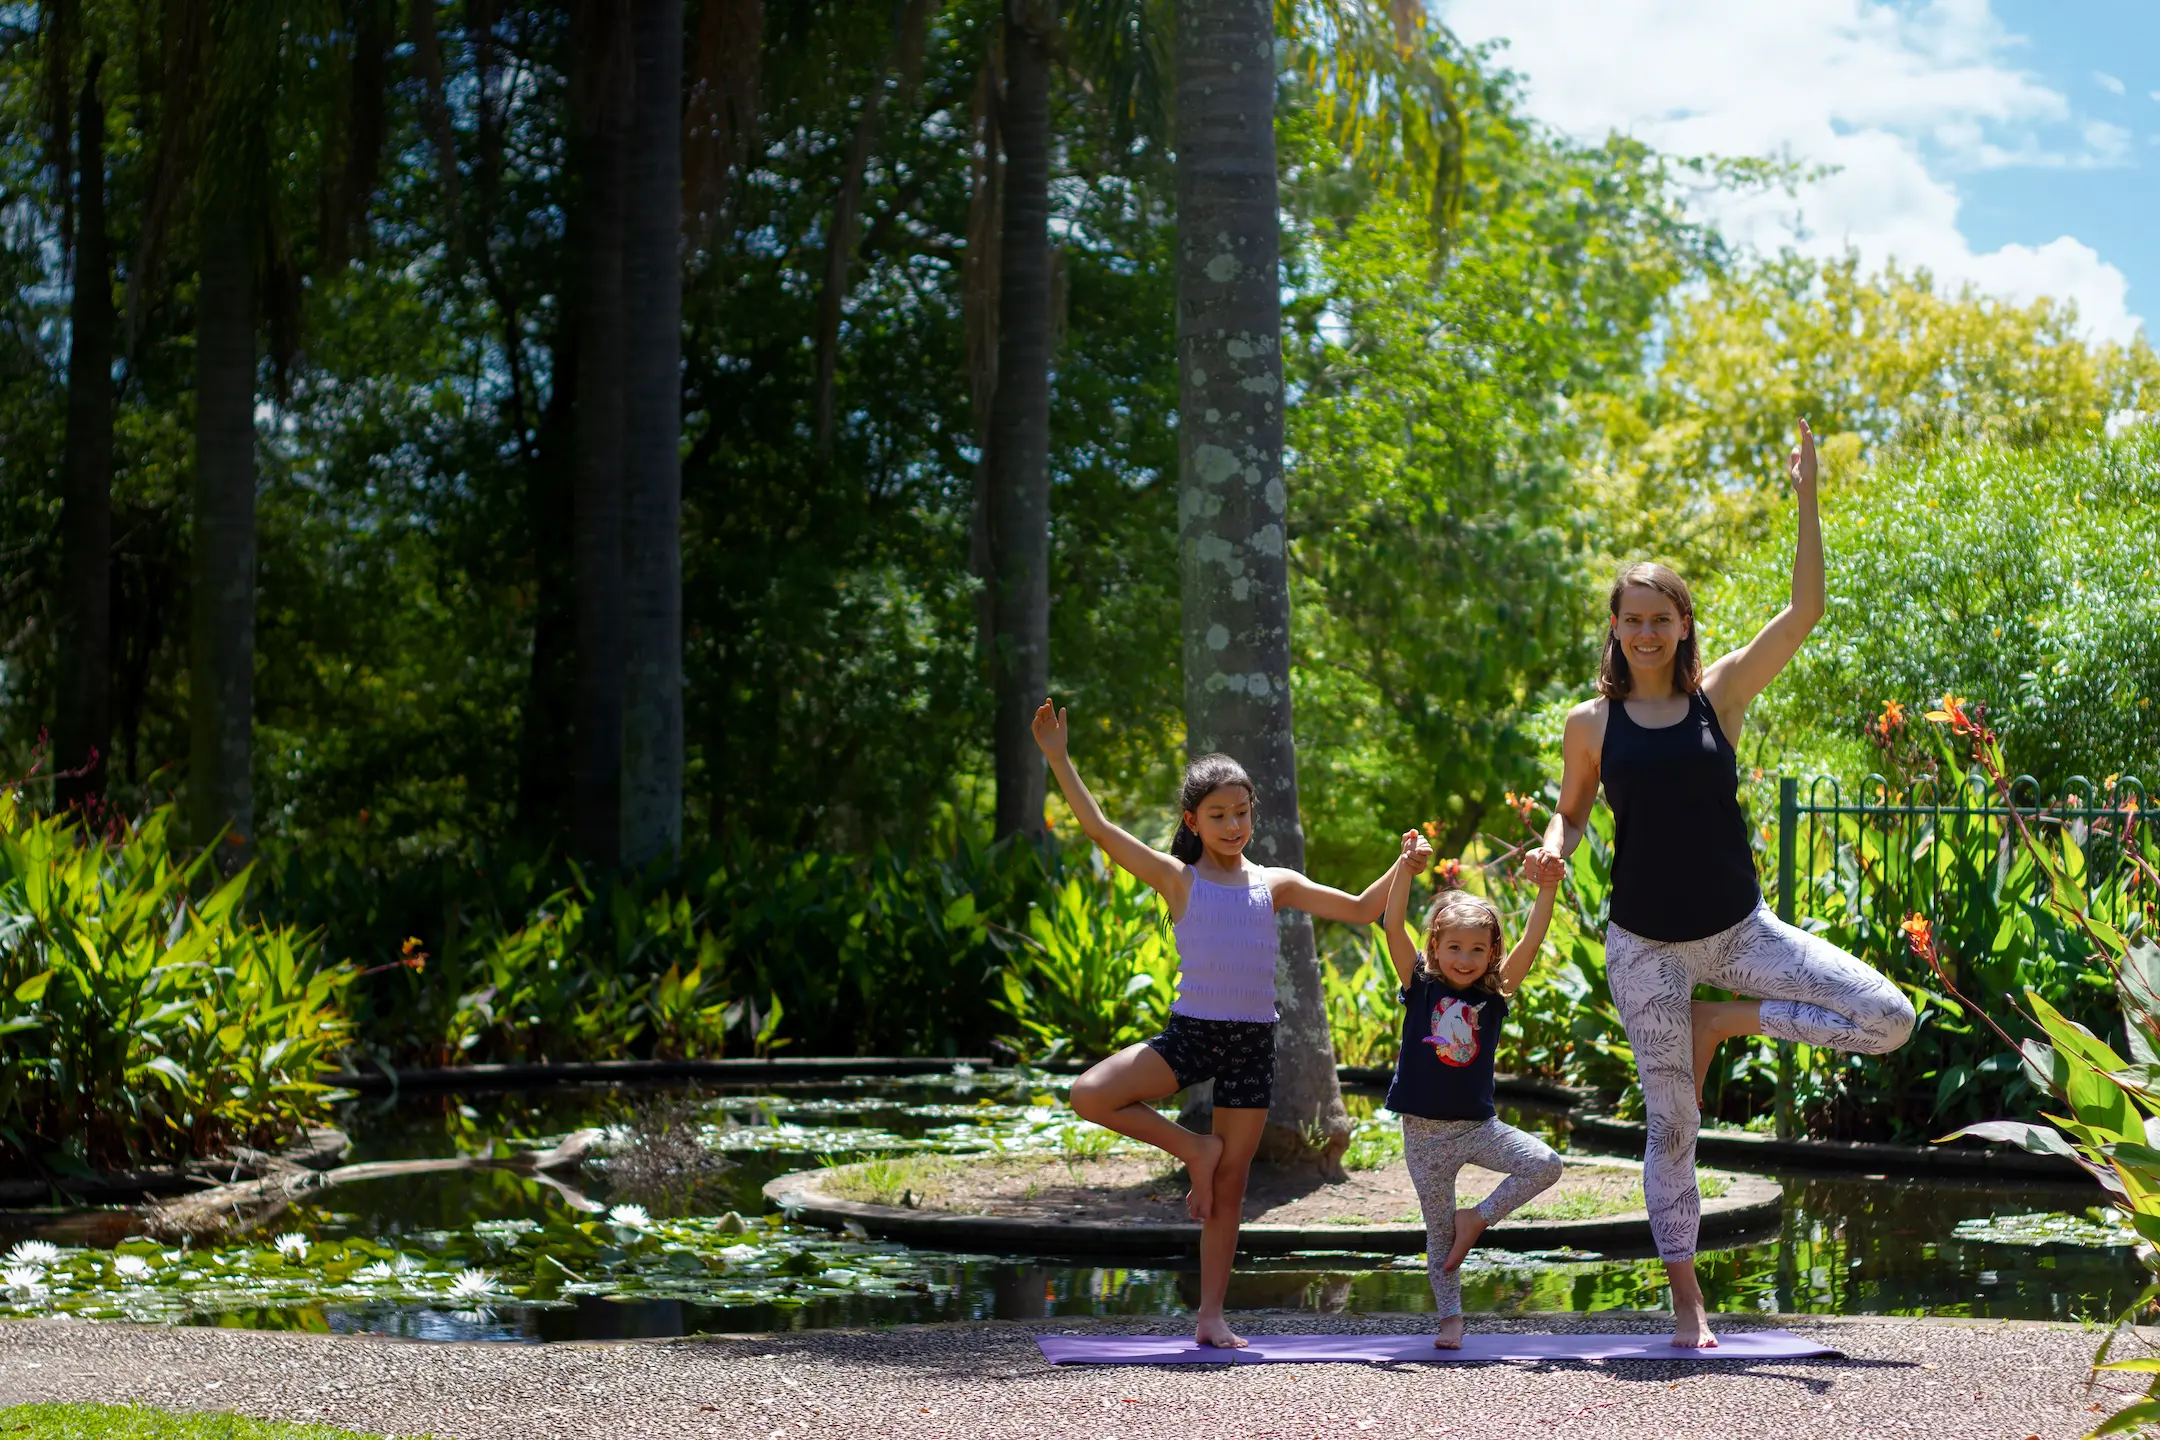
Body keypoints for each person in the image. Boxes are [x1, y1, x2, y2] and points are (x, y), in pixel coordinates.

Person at [1527, 419, 1915, 1347]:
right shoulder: (1590, 723)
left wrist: (1808, 494)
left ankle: (1726, 1018)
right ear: (1616, 628)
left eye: (1663, 618)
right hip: (1645, 946)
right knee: (1674, 1126)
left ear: (1684, 625)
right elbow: (1574, 812)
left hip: (1741, 934)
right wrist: (1551, 843)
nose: (1648, 631)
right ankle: (1689, 1306)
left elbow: (1805, 611)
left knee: (1890, 1020)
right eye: (1633, 618)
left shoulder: (1721, 697)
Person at [1031, 698, 1414, 1349]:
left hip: (1250, 1044)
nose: (1233, 824)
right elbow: (1097, 828)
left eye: (1241, 813)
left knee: (1231, 1186)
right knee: (1088, 1093)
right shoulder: (1178, 879)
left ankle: (1210, 1314)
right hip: (1192, 1033)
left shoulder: (1275, 882)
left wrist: (1404, 863)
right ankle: (1193, 1147)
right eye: (1218, 815)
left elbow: (1359, 908)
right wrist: (1058, 758)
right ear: (1193, 821)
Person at [1380, 830, 1567, 1348]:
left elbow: (1531, 940)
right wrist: (1404, 868)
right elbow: (1392, 923)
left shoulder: (1496, 993)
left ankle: (1477, 1218)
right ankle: (1451, 1320)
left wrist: (1546, 888)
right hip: (1423, 1136)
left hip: (1479, 1129)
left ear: (1491, 954)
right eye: (1454, 947)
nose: (1465, 958)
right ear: (1434, 946)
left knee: (1546, 1165)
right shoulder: (1419, 986)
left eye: (1478, 949)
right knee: (1438, 1234)